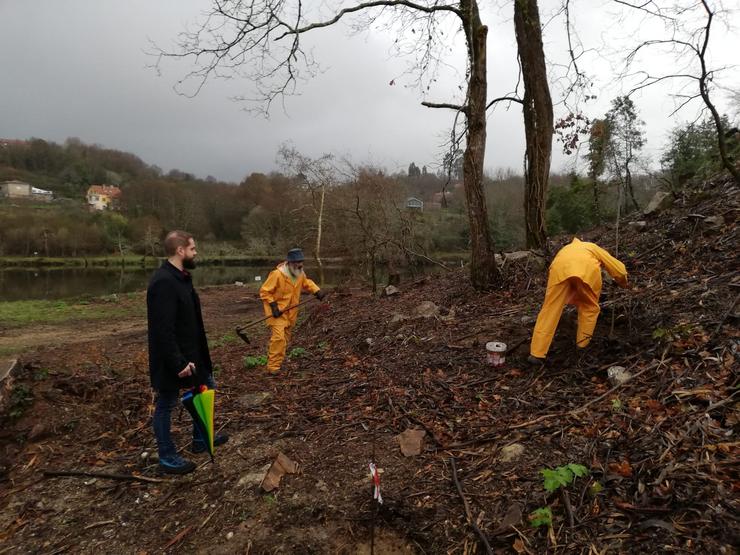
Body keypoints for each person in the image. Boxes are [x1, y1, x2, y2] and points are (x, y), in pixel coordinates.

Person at [147, 230, 228, 474]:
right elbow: (162, 328)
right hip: (172, 358)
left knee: (205, 387)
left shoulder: (182, 277)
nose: (196, 253)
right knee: (167, 402)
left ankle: (200, 439)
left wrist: (198, 356)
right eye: (192, 249)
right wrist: (177, 362)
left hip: (192, 353)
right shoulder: (163, 282)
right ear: (180, 251)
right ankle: (167, 456)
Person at [529, 237, 628, 364]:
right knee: (589, 308)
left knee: (550, 309)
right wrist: (623, 283)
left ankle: (536, 353)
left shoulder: (565, 249)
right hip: (585, 270)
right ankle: (582, 346)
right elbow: (619, 270)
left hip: (559, 271)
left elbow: (558, 266)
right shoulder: (592, 247)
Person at [259, 248, 326, 373]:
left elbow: (307, 283)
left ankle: (277, 362)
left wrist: (317, 291)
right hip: (277, 313)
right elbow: (264, 291)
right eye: (296, 262)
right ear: (289, 262)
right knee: (278, 338)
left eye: (301, 262)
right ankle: (273, 368)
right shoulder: (277, 274)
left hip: (291, 313)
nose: (299, 264)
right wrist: (273, 306)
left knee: (285, 339)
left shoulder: (300, 273)